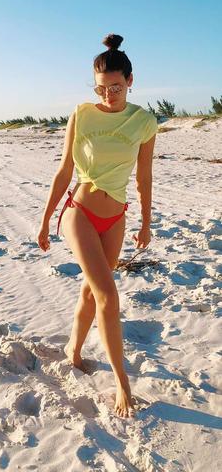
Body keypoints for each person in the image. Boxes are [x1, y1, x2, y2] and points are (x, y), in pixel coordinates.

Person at [37, 33, 158, 419]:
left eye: (116, 88)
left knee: (92, 292)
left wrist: (146, 223)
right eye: (102, 89)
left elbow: (144, 176)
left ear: (131, 81)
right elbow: (64, 170)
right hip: (81, 213)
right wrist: (44, 220)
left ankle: (73, 351)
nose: (109, 95)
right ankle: (122, 383)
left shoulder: (144, 122)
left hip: (117, 218)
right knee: (109, 295)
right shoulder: (81, 114)